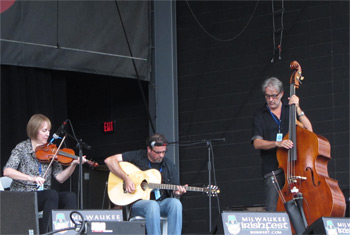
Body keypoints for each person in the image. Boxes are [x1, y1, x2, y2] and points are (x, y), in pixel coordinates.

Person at [3, 114, 87, 233]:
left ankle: (69, 233)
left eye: (48, 130)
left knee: (69, 196)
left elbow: (60, 178)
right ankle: (47, 232)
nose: (48, 134)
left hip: (44, 196)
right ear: (34, 130)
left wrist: (73, 165)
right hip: (24, 196)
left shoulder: (52, 150)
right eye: (44, 130)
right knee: (51, 194)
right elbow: (7, 171)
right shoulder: (22, 148)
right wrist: (31, 178)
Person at [104, 133, 186, 235]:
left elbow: (175, 189)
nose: (161, 155)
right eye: (158, 152)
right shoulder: (137, 156)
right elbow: (109, 161)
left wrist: (177, 192)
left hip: (161, 203)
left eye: (164, 152)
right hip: (140, 205)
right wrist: (126, 178)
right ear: (149, 149)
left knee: (175, 203)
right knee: (153, 205)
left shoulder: (169, 165)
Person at [251, 77, 313, 211]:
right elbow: (257, 143)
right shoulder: (260, 115)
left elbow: (309, 131)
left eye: (274, 96)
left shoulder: (289, 109)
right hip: (273, 169)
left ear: (282, 94)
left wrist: (297, 108)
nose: (271, 100)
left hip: (295, 167)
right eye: (267, 96)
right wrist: (277, 143)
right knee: (273, 210)